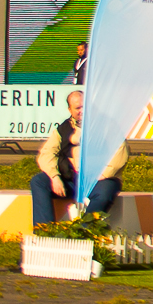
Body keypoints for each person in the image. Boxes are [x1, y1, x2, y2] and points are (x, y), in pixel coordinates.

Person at [31, 90, 123, 225]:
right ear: (70, 110)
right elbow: (47, 153)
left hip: (99, 180)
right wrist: (55, 177)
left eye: (84, 106)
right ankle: (45, 230)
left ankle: (85, 230)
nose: (82, 111)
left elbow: (121, 150)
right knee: (38, 181)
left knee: (104, 192)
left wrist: (104, 174)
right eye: (77, 108)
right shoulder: (63, 129)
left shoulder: (106, 125)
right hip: (71, 180)